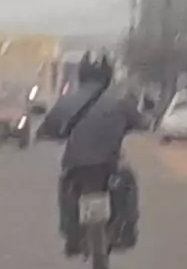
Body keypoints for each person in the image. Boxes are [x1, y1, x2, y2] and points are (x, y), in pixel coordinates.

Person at [58, 55, 141, 256]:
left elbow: (53, 126)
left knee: (66, 185)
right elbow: (140, 121)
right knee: (128, 182)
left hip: (76, 165)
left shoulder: (70, 102)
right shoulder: (119, 102)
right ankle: (126, 230)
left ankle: (71, 235)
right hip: (108, 164)